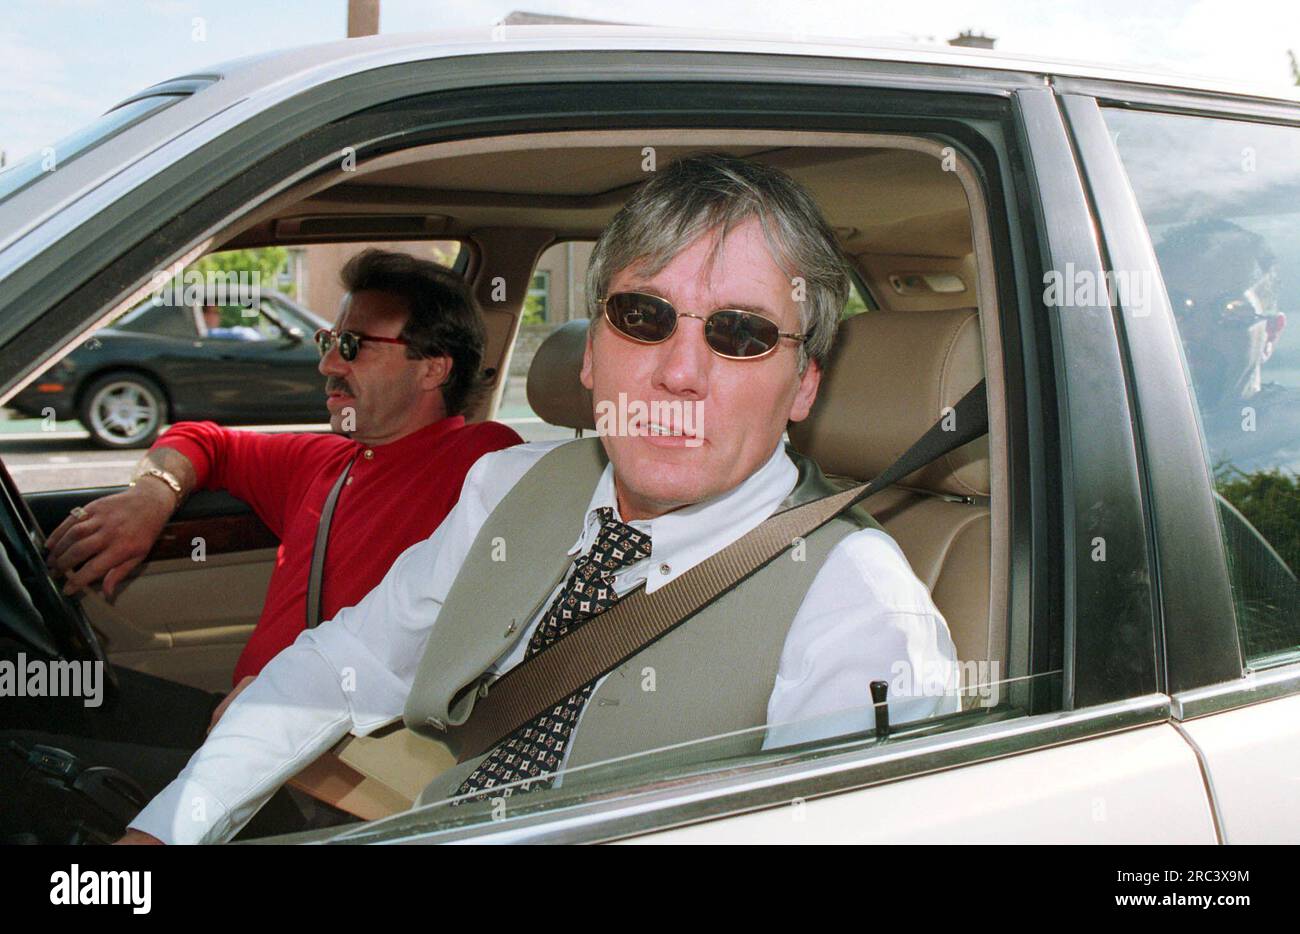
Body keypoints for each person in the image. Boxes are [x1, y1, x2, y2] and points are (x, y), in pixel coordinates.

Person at [121, 153, 960, 845]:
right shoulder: (509, 486)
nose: (679, 372)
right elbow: (352, 663)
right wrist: (165, 834)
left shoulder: (863, 617)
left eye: (739, 334)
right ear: (591, 351)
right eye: (643, 316)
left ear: (804, 384)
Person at [2, 251, 521, 833]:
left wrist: (295, 689)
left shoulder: (486, 462)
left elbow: (480, 635)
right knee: (34, 692)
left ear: (432, 369)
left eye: (352, 346)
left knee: (17, 766)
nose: (326, 362)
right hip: (245, 725)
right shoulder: (328, 461)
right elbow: (204, 439)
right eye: (329, 339)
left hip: (333, 767)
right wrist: (152, 496)